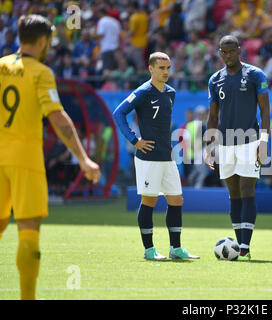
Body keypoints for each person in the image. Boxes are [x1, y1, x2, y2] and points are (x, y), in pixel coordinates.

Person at [0, 14, 100, 300]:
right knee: (28, 229)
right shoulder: (41, 72)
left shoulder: (0, 66)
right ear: (43, 41)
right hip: (25, 159)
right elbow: (58, 118)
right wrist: (83, 158)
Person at [113, 51, 199, 261]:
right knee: (149, 201)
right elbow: (119, 113)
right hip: (148, 157)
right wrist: (135, 140)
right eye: (161, 68)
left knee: (176, 200)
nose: (166, 72)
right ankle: (149, 250)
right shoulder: (143, 91)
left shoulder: (170, 92)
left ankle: (175, 248)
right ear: (150, 69)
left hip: (167, 156)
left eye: (168, 68)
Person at [205, 35, 271, 261]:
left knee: (246, 190)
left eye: (232, 51)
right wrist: (208, 146)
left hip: (250, 141)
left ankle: (244, 246)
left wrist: (264, 141)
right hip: (225, 143)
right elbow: (213, 116)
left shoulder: (255, 75)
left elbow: (264, 111)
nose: (228, 55)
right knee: (233, 194)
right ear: (220, 53)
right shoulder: (215, 80)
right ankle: (240, 244)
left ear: (239, 50)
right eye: (224, 52)